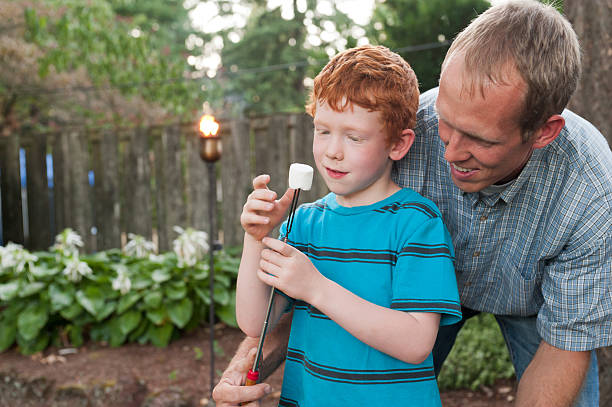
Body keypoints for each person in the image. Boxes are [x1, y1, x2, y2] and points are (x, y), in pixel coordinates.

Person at [213, 1, 612, 406]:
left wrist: (314, 286)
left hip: (531, 305)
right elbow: (308, 300)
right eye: (446, 122)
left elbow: (568, 339)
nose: (451, 152)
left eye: (480, 139)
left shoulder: (589, 192)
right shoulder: (401, 133)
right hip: (399, 299)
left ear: (543, 131)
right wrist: (243, 371)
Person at [235, 44, 461, 407]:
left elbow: (417, 342)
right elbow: (254, 321)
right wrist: (255, 239)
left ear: (398, 144)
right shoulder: (304, 223)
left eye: (354, 137)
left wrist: (316, 288)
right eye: (323, 131)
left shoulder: (416, 223)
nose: (332, 151)